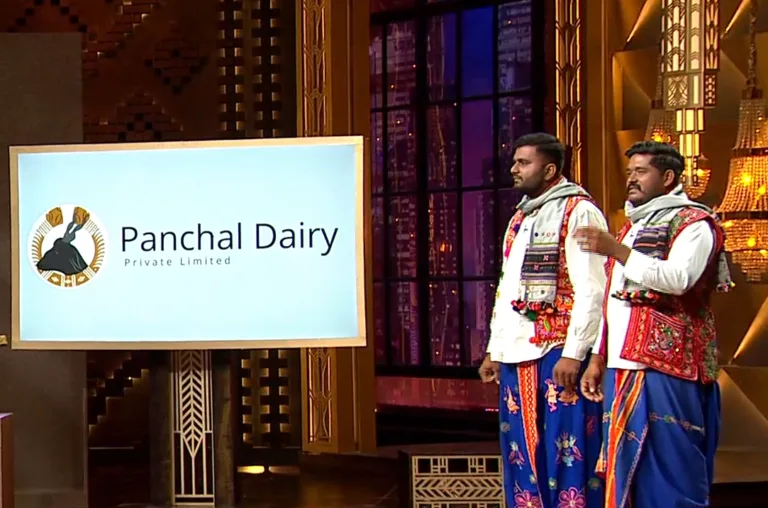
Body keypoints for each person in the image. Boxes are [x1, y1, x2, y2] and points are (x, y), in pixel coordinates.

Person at [576, 141, 733, 508]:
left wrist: (618, 251)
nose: (631, 179)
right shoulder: (633, 227)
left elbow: (679, 279)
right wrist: (598, 357)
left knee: (672, 466)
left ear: (668, 177)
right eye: (630, 171)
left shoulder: (695, 223)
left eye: (641, 172)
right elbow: (613, 296)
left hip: (668, 365)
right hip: (622, 364)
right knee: (627, 469)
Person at [479, 133, 608, 508]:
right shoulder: (521, 216)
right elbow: (508, 288)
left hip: (557, 351)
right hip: (516, 354)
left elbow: (592, 288)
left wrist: (574, 352)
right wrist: (495, 350)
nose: (514, 169)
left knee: (566, 453)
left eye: (524, 163)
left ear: (550, 169)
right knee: (521, 452)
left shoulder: (579, 212)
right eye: (515, 162)